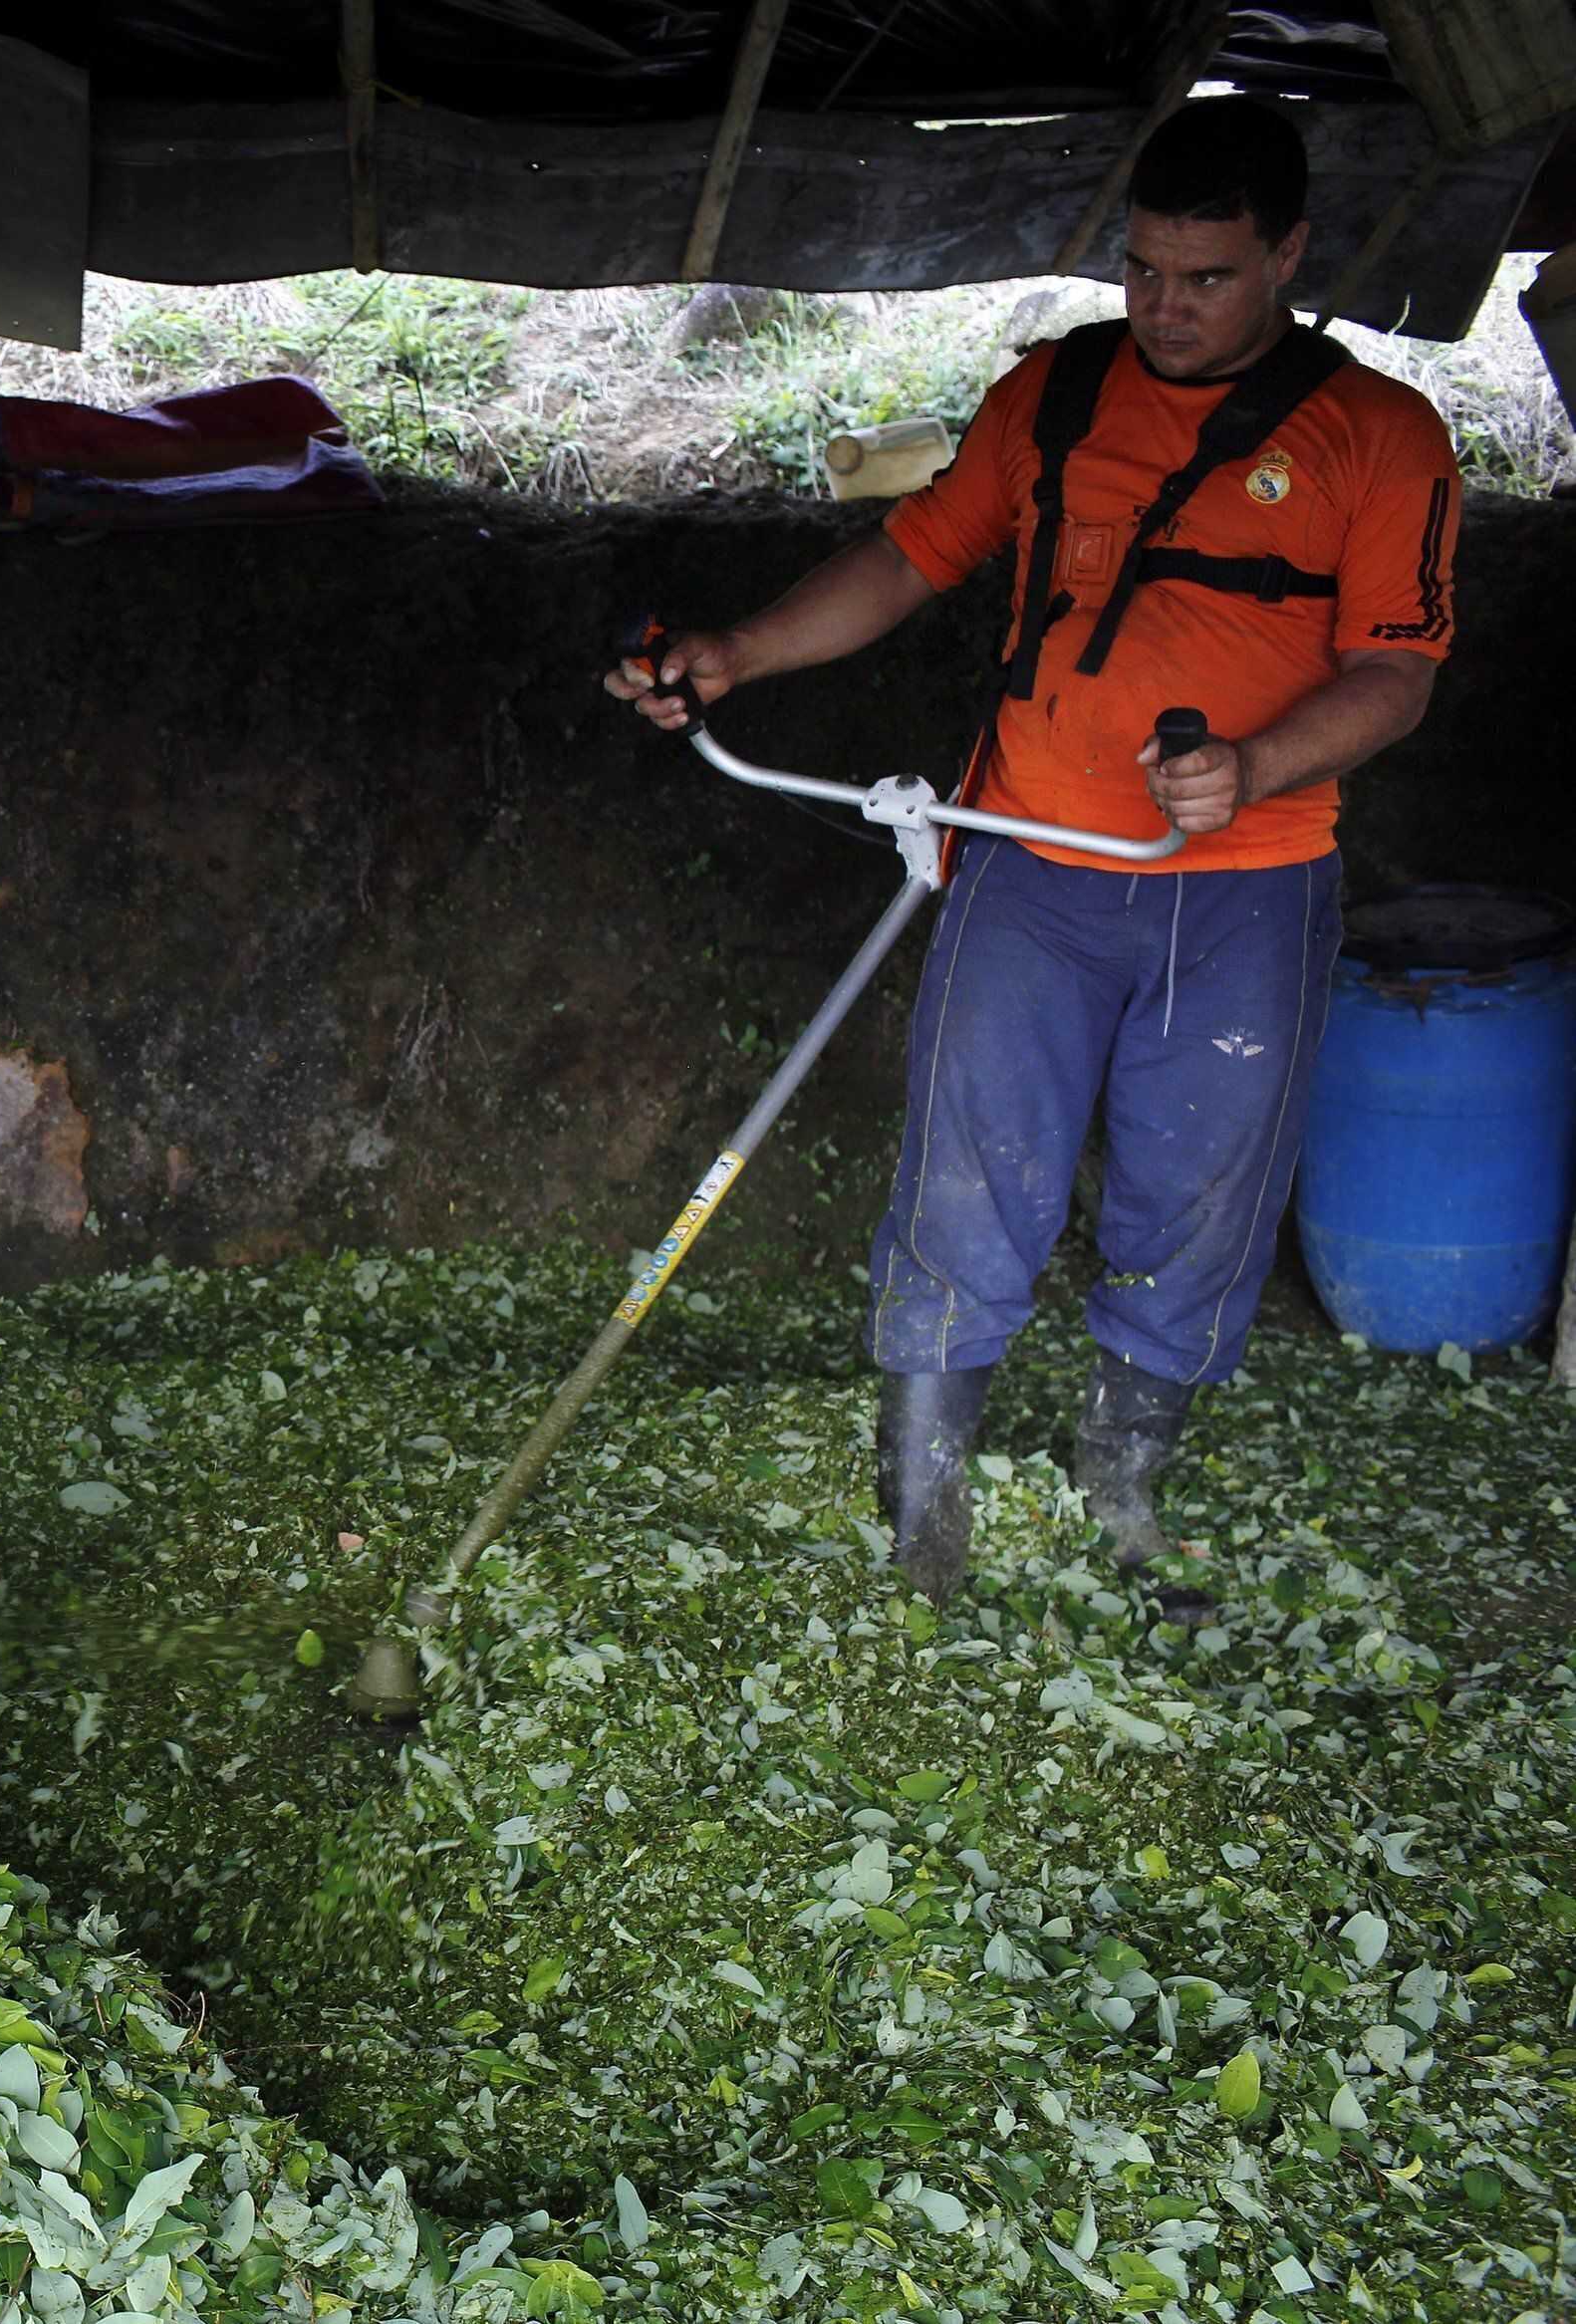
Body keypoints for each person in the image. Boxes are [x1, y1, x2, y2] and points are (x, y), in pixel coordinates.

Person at [608, 98, 1459, 1609]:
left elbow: (1396, 673)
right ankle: (923, 1522)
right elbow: (912, 551)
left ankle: (1121, 1497)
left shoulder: (1383, 437)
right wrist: (736, 651)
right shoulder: (1057, 396)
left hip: (1247, 894)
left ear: (1289, 257)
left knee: (1194, 1201)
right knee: (965, 1181)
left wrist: (1250, 766)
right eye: (1142, 271)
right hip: (1028, 861)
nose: (1166, 311)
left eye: (1206, 279)